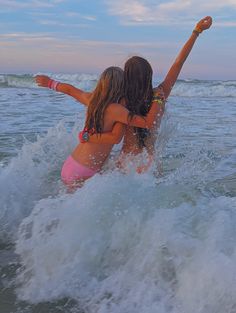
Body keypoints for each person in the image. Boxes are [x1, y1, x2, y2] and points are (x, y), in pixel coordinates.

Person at [87, 16, 213, 173]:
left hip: (125, 163)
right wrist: (196, 31)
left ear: (127, 77)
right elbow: (178, 63)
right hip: (149, 164)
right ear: (150, 74)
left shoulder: (121, 101)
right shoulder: (159, 95)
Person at [35, 67, 156, 187]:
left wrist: (50, 83)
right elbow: (146, 123)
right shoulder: (116, 110)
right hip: (85, 170)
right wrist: (158, 100)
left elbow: (70, 90)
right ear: (121, 87)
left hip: (71, 164)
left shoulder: (91, 99)